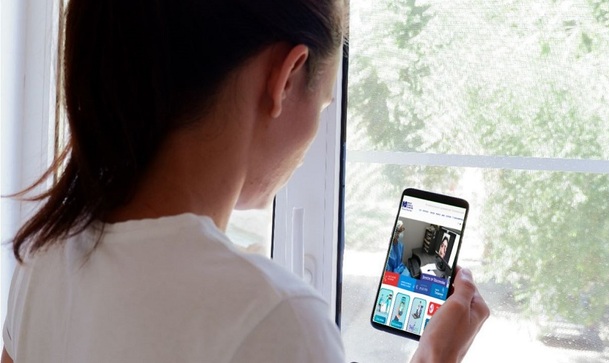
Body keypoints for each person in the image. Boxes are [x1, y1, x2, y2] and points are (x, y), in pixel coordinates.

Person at [2, 0, 489, 362]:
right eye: (322, 106)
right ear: (287, 76)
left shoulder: (41, 260)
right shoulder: (276, 317)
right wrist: (434, 359)